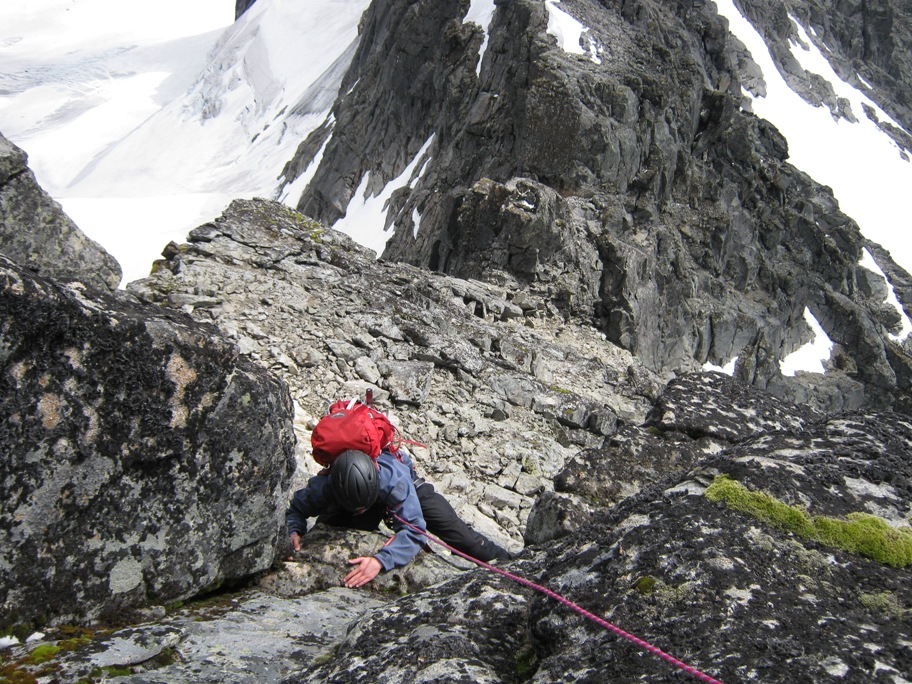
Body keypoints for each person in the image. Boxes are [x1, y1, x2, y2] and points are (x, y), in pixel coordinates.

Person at [286, 448, 512, 587]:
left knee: (463, 538)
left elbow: (415, 530)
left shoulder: (395, 480)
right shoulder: (324, 486)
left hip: (412, 490)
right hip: (354, 499)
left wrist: (380, 561)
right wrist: (293, 531)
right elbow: (295, 509)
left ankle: (514, 565)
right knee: (331, 527)